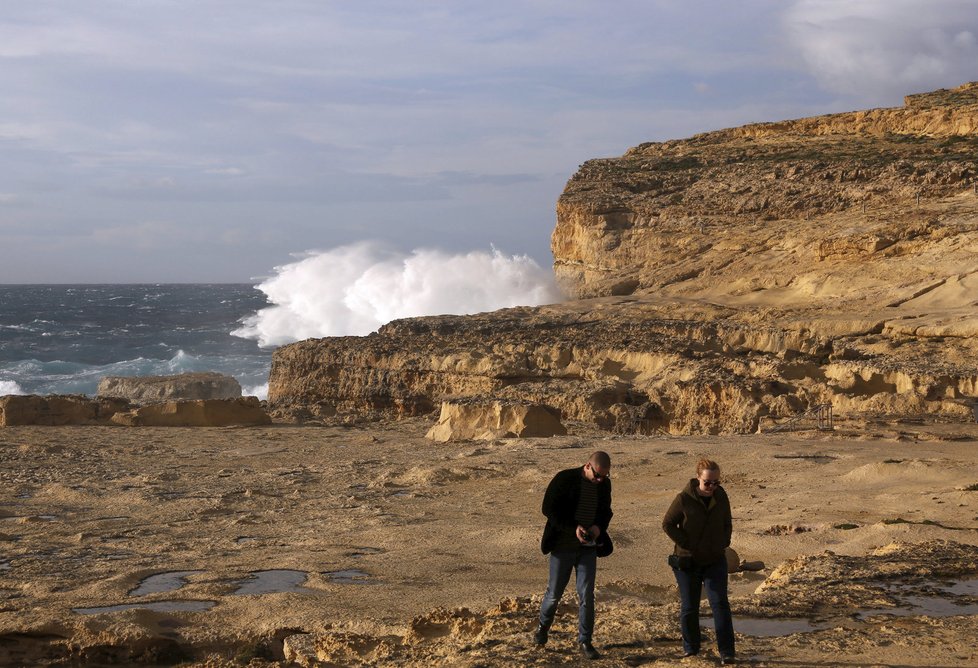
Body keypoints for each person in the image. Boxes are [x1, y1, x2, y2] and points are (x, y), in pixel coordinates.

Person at [533, 451, 613, 660]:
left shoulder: (604, 485)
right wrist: (573, 528)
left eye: (604, 476)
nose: (600, 480)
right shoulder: (565, 478)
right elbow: (548, 508)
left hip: (588, 548)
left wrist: (597, 528)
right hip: (563, 546)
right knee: (554, 594)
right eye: (597, 475)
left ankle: (585, 641)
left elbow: (606, 511)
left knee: (586, 595)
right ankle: (542, 628)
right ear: (587, 466)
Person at [662, 458, 735, 664]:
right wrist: (687, 543)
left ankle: (727, 651)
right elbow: (667, 524)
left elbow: (727, 522)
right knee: (690, 607)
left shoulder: (720, 496)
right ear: (698, 479)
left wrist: (723, 541)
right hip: (688, 562)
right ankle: (691, 649)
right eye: (707, 483)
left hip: (714, 560)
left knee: (720, 604)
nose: (712, 487)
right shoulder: (683, 499)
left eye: (716, 482)